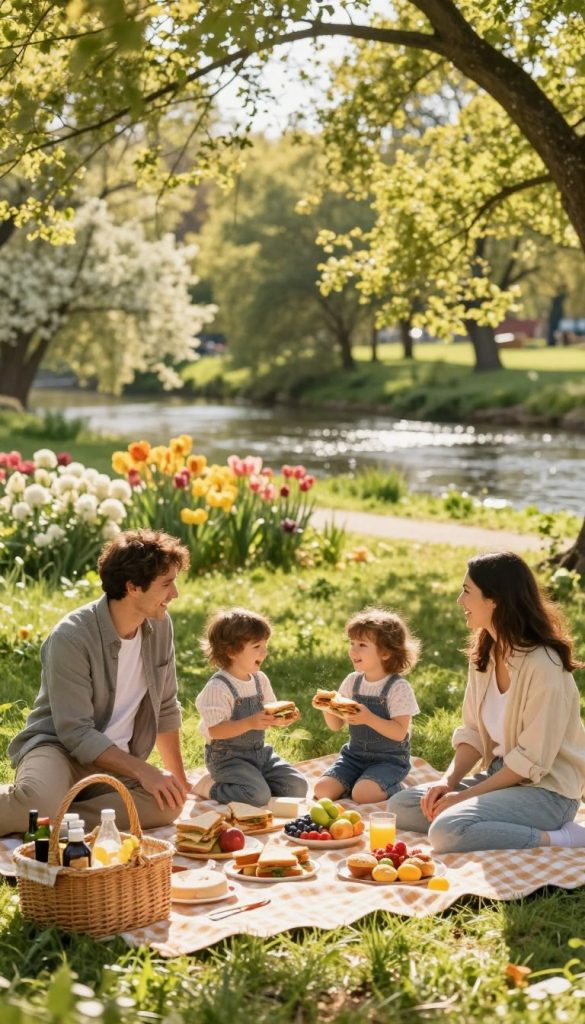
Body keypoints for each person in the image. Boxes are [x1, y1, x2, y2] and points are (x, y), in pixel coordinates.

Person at [388, 551, 585, 852]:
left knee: (447, 831)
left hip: (547, 791)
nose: (459, 601)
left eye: (467, 592)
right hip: (501, 778)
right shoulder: (487, 652)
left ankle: (565, 837)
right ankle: (484, 820)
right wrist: (447, 782)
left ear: (495, 600)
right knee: (401, 806)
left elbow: (529, 762)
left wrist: (463, 799)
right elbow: (473, 734)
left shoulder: (544, 665)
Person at [1, 528, 192, 834]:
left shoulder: (159, 625)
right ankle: (45, 810)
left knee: (168, 803)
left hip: (115, 760)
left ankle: (57, 821)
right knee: (34, 803)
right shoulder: (71, 637)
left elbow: (166, 706)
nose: (174, 594)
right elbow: (75, 732)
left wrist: (178, 781)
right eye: (166, 584)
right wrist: (144, 771)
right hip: (58, 749)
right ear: (132, 587)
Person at [194, 608, 308, 805]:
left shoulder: (259, 679)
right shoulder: (218, 687)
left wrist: (281, 718)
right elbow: (215, 730)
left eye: (265, 645)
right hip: (227, 759)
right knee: (257, 796)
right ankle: (209, 787)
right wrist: (249, 722)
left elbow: (269, 711)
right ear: (231, 652)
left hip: (259, 752)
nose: (264, 652)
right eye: (257, 646)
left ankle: (252, 785)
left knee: (298, 787)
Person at [312, 608, 420, 804]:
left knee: (364, 795)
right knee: (322, 790)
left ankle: (396, 787)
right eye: (352, 643)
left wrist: (369, 718)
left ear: (386, 653)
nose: (353, 650)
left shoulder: (398, 688)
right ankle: (359, 782)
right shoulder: (353, 682)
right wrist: (327, 707)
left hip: (389, 760)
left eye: (362, 645)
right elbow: (336, 725)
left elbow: (399, 733)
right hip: (354, 756)